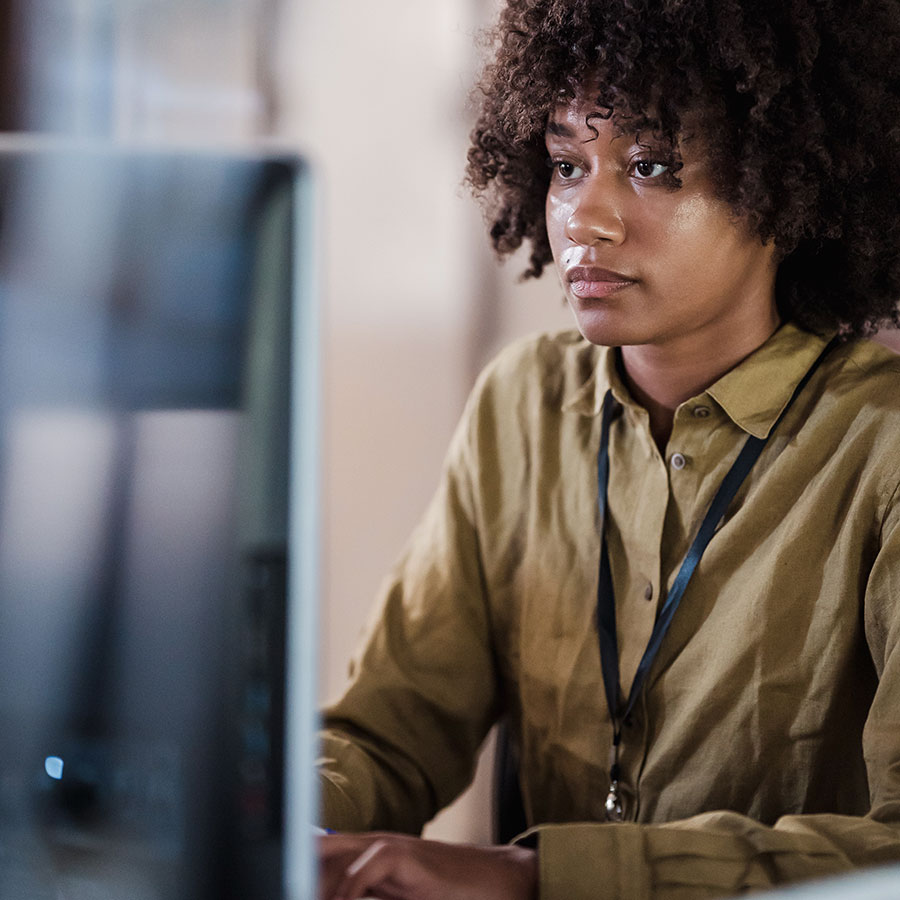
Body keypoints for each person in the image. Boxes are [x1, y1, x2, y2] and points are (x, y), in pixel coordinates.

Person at [316, 0, 900, 897]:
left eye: (654, 167)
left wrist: (532, 877)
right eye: (565, 165)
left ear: (787, 183)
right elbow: (390, 731)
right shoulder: (522, 406)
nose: (584, 218)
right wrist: (284, 823)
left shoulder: (881, 447)